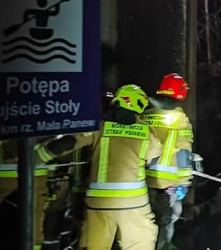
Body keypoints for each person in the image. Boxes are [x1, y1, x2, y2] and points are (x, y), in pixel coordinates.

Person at [65, 84, 163, 250]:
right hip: (135, 205)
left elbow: (69, 142)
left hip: (99, 204)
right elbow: (154, 155)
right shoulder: (146, 132)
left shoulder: (99, 127)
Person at [142, 73, 195, 250]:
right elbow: (183, 153)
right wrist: (184, 183)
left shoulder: (145, 115)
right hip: (168, 180)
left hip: (142, 178)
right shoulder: (180, 120)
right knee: (168, 218)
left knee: (146, 220)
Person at [0, 139, 49, 250]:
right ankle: (34, 247)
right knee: (36, 213)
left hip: (4, 172)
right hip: (37, 172)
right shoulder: (40, 121)